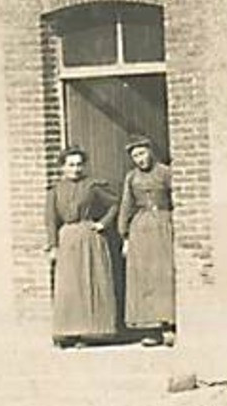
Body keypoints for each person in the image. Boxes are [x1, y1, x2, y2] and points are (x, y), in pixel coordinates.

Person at [45, 145, 119, 347]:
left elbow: (115, 204)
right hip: (67, 238)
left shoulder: (93, 186)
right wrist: (53, 246)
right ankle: (68, 332)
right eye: (71, 165)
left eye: (79, 165)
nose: (76, 169)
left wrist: (102, 223)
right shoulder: (54, 190)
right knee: (70, 286)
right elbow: (50, 220)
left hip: (89, 238)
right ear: (62, 167)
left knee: (89, 282)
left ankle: (90, 332)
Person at [118, 135, 175, 343]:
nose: (140, 159)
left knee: (163, 273)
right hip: (140, 229)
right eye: (135, 156)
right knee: (144, 277)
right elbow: (126, 205)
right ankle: (150, 329)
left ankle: (168, 325)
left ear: (150, 151)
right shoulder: (131, 177)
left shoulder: (166, 172)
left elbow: (177, 198)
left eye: (142, 153)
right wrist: (124, 236)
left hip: (162, 222)